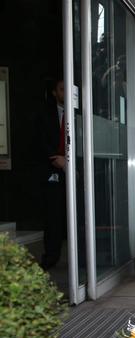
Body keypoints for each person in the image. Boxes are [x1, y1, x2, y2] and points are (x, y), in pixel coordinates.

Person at [38, 79, 66, 270]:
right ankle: (51, 257)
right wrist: (56, 159)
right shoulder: (44, 115)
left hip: (77, 170)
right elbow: (39, 140)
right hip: (53, 169)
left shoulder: (79, 113)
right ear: (55, 93)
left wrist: (71, 163)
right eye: (62, 89)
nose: (65, 93)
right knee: (53, 215)